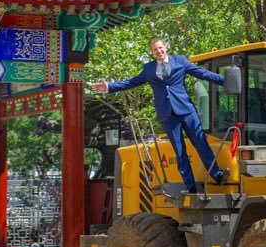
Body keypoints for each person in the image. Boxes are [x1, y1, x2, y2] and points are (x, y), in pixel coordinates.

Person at [92, 38, 229, 194]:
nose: (159, 51)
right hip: (167, 114)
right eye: (155, 49)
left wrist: (225, 80)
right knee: (180, 151)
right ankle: (190, 186)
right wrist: (108, 87)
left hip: (186, 110)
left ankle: (217, 175)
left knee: (201, 142)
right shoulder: (149, 69)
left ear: (166, 47)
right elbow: (131, 82)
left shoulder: (180, 61)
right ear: (153, 52)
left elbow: (203, 74)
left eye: (160, 48)